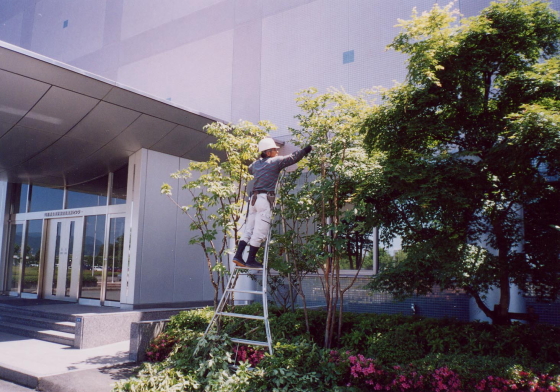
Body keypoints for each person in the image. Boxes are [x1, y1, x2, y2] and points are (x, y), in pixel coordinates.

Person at [233, 137, 312, 268]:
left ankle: (238, 256)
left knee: (249, 230)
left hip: (253, 201)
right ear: (268, 152)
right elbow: (293, 157)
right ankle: (250, 260)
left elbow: (250, 169)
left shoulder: (255, 164)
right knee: (260, 232)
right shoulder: (274, 162)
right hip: (264, 200)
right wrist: (307, 149)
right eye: (275, 150)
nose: (277, 152)